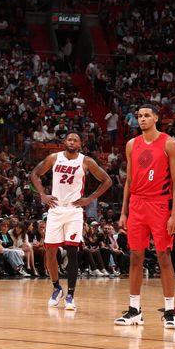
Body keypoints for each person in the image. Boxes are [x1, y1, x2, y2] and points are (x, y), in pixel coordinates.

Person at [115, 104, 175, 329]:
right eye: (139, 116)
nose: (142, 119)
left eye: (146, 116)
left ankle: (170, 311)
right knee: (135, 257)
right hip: (136, 204)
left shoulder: (169, 144)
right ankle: (134, 310)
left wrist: (174, 214)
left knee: (164, 256)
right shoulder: (131, 144)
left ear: (156, 118)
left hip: (159, 205)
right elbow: (130, 180)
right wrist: (124, 211)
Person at [30, 132, 113, 310]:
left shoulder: (86, 161)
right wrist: (43, 194)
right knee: (50, 252)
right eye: (69, 139)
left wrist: (90, 199)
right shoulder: (54, 158)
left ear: (80, 144)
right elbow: (35, 174)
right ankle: (56, 287)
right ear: (64, 142)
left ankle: (70, 295)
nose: (72, 142)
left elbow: (107, 180)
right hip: (55, 209)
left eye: (75, 140)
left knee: (72, 252)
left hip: (74, 211)